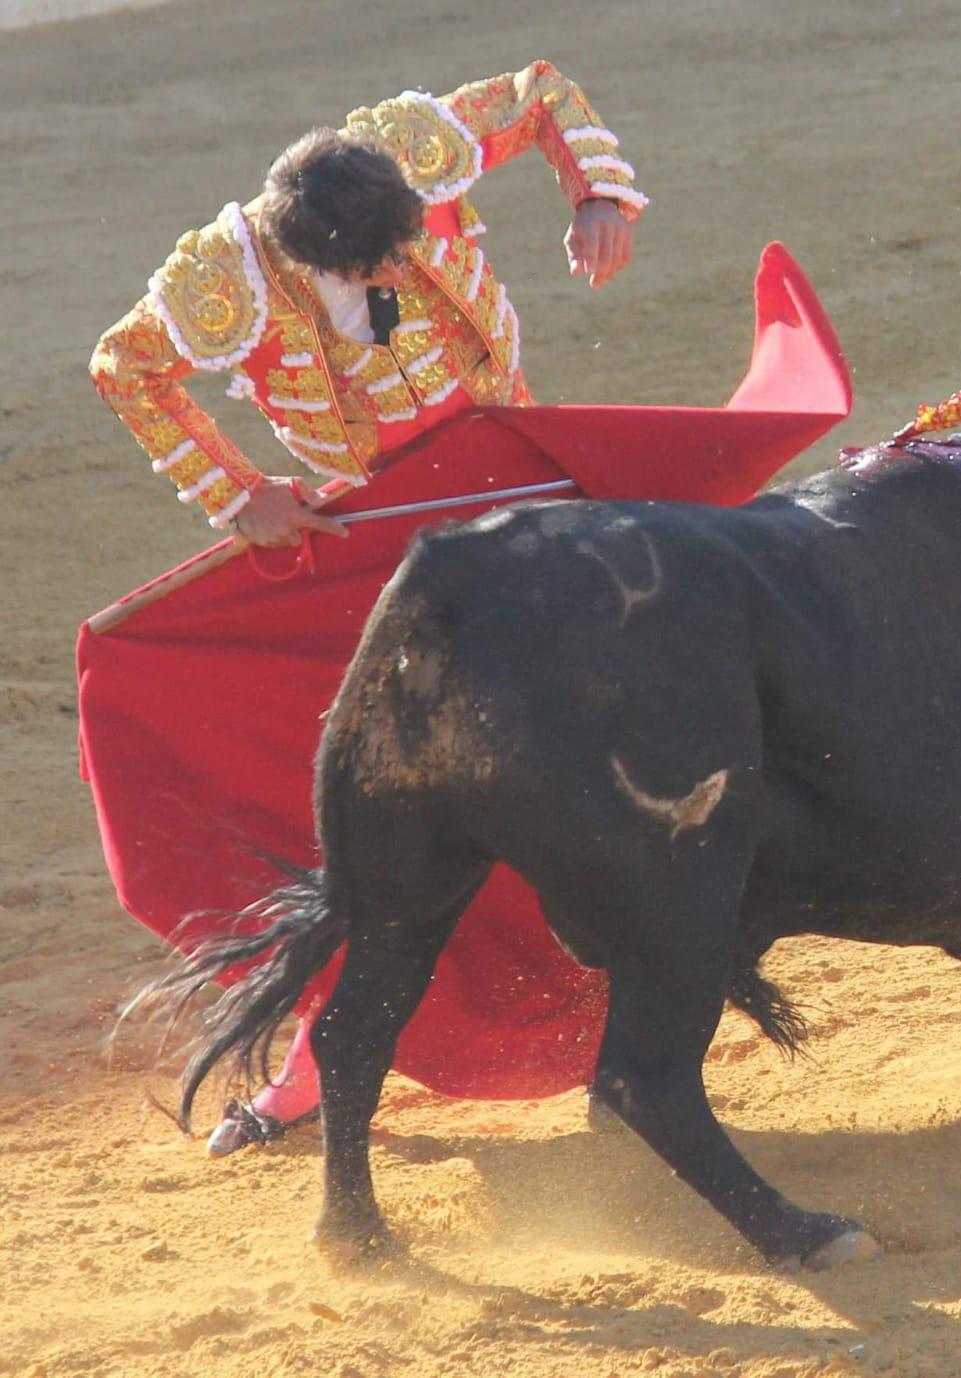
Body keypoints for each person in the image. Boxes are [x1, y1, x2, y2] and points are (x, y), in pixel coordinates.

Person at [90, 58, 644, 1153]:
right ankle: (322, 1056)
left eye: (409, 236)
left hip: (524, 480)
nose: (404, 263)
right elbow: (125, 366)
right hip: (385, 544)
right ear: (315, 259)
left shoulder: (410, 147)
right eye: (379, 258)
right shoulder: (226, 277)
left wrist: (598, 194)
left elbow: (538, 93)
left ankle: (659, 977)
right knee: (380, 808)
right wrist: (239, 493)